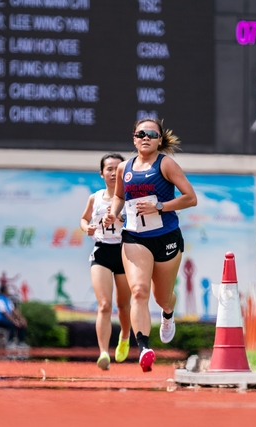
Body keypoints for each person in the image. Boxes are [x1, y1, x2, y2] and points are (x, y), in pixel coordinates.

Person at [104, 118, 197, 372]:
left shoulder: (166, 164)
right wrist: (113, 213)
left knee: (162, 297)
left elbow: (191, 198)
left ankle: (168, 314)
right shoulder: (125, 168)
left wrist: (160, 206)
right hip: (135, 237)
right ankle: (144, 347)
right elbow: (119, 196)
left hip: (166, 237)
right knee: (139, 291)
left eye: (152, 134)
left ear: (159, 140)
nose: (146, 137)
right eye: (141, 133)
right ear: (134, 138)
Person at [80, 153, 132, 370]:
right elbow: (84, 219)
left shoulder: (129, 198)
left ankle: (125, 337)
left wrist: (123, 218)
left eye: (117, 168)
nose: (113, 172)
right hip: (102, 251)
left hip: (124, 252)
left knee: (123, 305)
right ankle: (103, 352)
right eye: (109, 168)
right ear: (102, 173)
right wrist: (87, 228)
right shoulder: (96, 197)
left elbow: (140, 222)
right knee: (104, 304)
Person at [0, 283, 29, 350]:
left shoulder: (8, 300)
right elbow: (5, 313)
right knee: (12, 324)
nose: (8, 291)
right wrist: (14, 321)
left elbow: (14, 310)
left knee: (21, 324)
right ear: (4, 291)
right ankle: (10, 343)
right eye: (7, 290)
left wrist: (21, 319)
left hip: (7, 320)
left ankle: (20, 343)